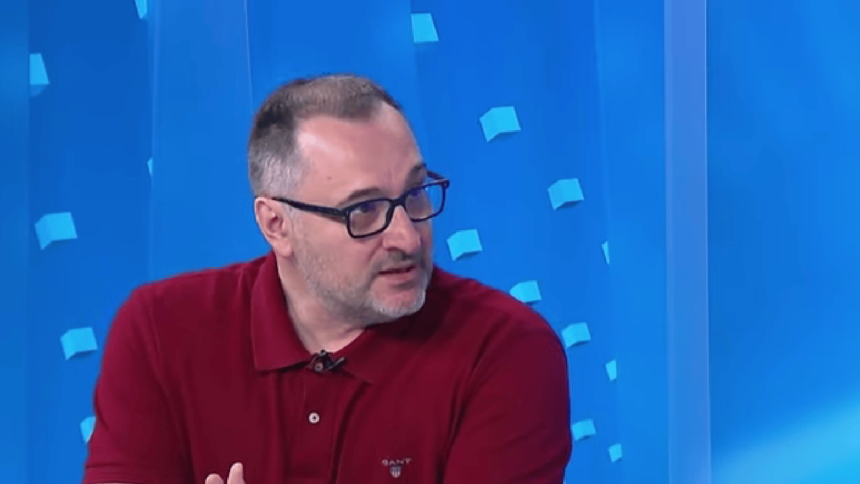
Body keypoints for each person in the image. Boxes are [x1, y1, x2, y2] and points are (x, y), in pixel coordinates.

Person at [82, 74, 572, 484]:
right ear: (276, 224)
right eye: (364, 210)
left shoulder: (506, 348)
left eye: (416, 193)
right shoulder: (159, 330)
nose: (406, 236)